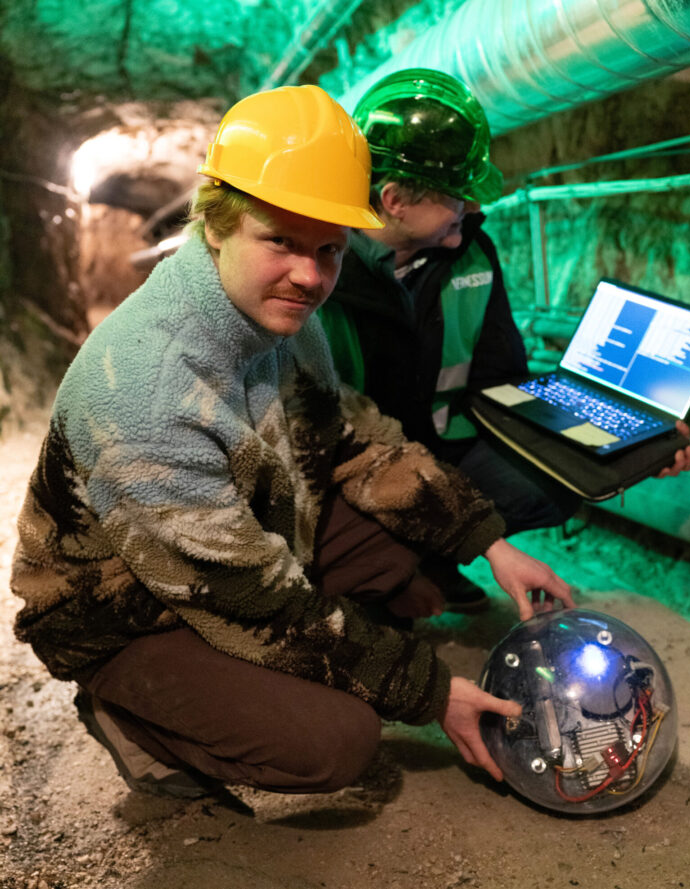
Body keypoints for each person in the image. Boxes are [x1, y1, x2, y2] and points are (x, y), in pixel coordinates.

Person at [11, 84, 575, 801]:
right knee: (337, 741)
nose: (310, 276)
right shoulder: (148, 391)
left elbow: (357, 438)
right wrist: (433, 691)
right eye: (279, 240)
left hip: (249, 530)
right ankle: (124, 708)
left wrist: (490, 543)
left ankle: (270, 663)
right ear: (217, 225)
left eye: (330, 250)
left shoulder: (282, 313)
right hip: (123, 609)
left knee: (410, 545)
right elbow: (255, 600)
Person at [319, 68, 690, 613]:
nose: (473, 209)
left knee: (558, 483)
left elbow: (502, 380)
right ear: (395, 198)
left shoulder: (471, 252)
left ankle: (434, 559)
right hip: (355, 466)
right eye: (457, 196)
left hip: (440, 450)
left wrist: (631, 441)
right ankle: (390, 574)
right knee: (392, 592)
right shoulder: (319, 273)